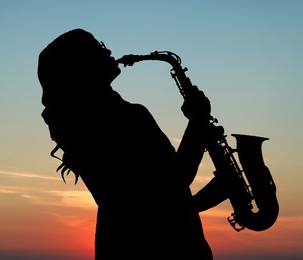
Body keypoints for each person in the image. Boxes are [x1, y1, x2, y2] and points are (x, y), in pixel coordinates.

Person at [37, 28, 228, 260]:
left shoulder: (78, 125)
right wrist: (197, 122)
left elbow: (143, 205)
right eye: (97, 48)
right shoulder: (125, 118)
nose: (107, 50)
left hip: (123, 244)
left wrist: (204, 198)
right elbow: (171, 181)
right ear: (81, 66)